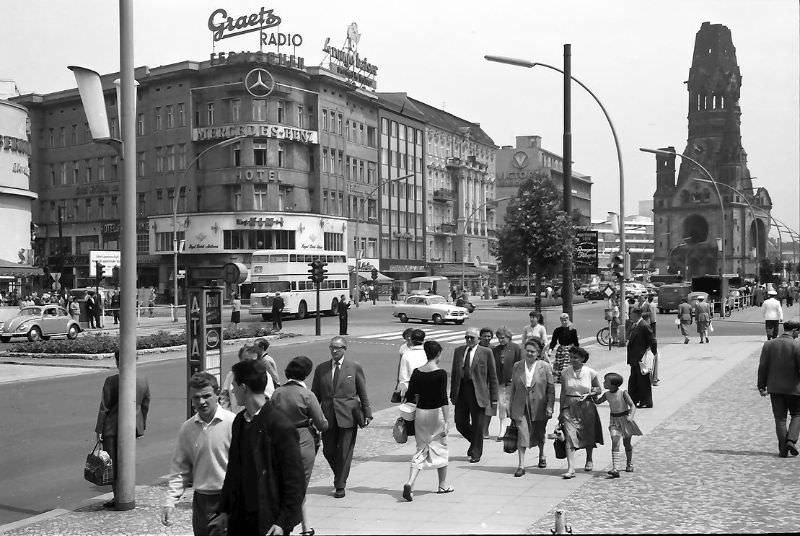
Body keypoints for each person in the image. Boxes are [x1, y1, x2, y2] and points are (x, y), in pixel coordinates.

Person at [208, 359, 305, 536]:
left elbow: (295, 480)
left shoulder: (279, 424)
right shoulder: (240, 421)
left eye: (234, 385)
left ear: (244, 387)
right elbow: (234, 470)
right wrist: (224, 510)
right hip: (239, 518)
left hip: (268, 520)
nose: (232, 390)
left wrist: (283, 522)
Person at [161, 372, 235, 535]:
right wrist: (170, 502)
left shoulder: (233, 423)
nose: (201, 402)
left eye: (206, 396)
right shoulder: (187, 429)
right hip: (202, 502)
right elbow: (180, 469)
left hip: (229, 500)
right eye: (196, 397)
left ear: (218, 395)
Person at [271, 356, 329, 536]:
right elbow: (322, 424)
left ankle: (304, 526)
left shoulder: (277, 393)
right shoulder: (307, 395)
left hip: (279, 441)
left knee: (282, 482)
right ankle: (291, 524)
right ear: (306, 374)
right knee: (300, 486)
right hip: (303, 440)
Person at [311, 336, 372, 498]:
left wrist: (367, 412)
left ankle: (340, 484)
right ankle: (340, 473)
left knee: (345, 452)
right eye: (332, 347)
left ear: (345, 349)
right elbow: (315, 394)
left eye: (338, 347)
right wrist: (311, 415)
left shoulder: (354, 367)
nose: (334, 350)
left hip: (348, 415)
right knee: (329, 451)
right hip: (327, 416)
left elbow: (362, 391)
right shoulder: (321, 369)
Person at [95, 350, 151, 509]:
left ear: (117, 362)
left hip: (112, 429)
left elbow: (104, 408)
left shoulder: (111, 381)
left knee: (112, 465)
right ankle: (126, 495)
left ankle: (119, 497)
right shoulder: (143, 380)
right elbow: (146, 405)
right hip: (132, 428)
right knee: (126, 462)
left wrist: (99, 430)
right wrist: (141, 426)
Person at [401, 340, 453, 501]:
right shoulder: (440, 373)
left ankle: (410, 481)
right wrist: (447, 420)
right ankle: (442, 484)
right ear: (438, 354)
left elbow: (410, 396)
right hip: (435, 414)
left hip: (420, 414)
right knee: (441, 447)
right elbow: (443, 398)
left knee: (421, 448)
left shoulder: (417, 372)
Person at [450, 327, 499, 464]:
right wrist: (453, 394)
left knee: (478, 424)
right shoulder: (459, 351)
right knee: (460, 422)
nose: (469, 340)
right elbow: (454, 374)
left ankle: (476, 452)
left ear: (478, 339)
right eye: (467, 337)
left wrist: (494, 398)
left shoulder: (486, 352)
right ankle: (476, 441)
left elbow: (493, 376)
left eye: (472, 337)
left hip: (478, 392)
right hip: (462, 391)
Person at [509, 337, 555, 476]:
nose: (529, 354)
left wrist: (550, 406)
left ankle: (541, 454)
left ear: (538, 353)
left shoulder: (545, 366)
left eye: (532, 352)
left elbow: (551, 389)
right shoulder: (517, 366)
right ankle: (521, 465)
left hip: (539, 404)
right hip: (521, 404)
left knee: (539, 432)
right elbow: (513, 389)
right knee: (522, 433)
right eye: (527, 351)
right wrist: (510, 407)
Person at [558, 347, 603, 479]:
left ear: (582, 359)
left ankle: (589, 458)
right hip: (569, 405)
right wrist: (561, 410)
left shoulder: (591, 372)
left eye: (575, 357)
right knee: (570, 436)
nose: (572, 360)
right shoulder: (565, 372)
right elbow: (562, 393)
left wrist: (590, 394)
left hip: (586, 405)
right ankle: (571, 468)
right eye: (571, 357)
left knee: (588, 433)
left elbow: (598, 389)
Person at [757, 320, 800, 458]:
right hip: (794, 388)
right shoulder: (797, 345)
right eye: (798, 332)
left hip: (775, 387)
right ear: (794, 330)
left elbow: (763, 367)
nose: (798, 335)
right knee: (797, 414)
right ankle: (791, 440)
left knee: (780, 418)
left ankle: (783, 449)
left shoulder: (769, 344)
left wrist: (761, 386)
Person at [594, 372, 642, 476]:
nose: (604, 383)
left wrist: (631, 416)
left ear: (613, 384)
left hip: (625, 420)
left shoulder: (623, 392)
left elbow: (632, 405)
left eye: (606, 381)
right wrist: (593, 394)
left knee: (627, 444)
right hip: (614, 421)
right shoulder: (606, 394)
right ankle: (615, 468)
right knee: (615, 442)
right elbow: (597, 402)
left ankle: (629, 463)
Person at [488, 327, 522, 441]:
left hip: (513, 382)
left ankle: (515, 428)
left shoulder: (516, 348)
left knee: (512, 406)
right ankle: (502, 430)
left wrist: (516, 378)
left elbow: (520, 365)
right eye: (499, 338)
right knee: (502, 405)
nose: (501, 340)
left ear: (508, 337)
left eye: (503, 338)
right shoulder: (495, 350)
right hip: (500, 381)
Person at [221, 346, 275, 413]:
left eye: (253, 360)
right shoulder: (231, 375)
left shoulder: (264, 375)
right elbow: (224, 397)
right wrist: (228, 415)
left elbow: (268, 397)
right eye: (246, 360)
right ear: (240, 360)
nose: (249, 363)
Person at [627, 307, 658, 409]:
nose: (629, 316)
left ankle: (646, 401)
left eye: (631, 314)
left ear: (636, 315)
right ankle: (634, 401)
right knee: (634, 381)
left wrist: (654, 353)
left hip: (641, 358)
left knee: (643, 381)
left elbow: (652, 340)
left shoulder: (644, 325)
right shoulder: (635, 325)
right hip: (635, 358)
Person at [547, 313, 580, 382]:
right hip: (561, 349)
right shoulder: (557, 330)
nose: (564, 322)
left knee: (567, 364)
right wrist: (550, 349)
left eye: (565, 320)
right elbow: (554, 341)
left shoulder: (573, 330)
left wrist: (578, 351)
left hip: (569, 349)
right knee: (559, 363)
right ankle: (559, 377)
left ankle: (567, 377)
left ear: (568, 319)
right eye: (562, 320)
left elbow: (575, 342)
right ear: (560, 320)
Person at [397, 329, 427, 399]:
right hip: (427, 388)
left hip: (412, 388)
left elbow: (403, 377)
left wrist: (403, 392)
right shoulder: (428, 352)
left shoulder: (406, 355)